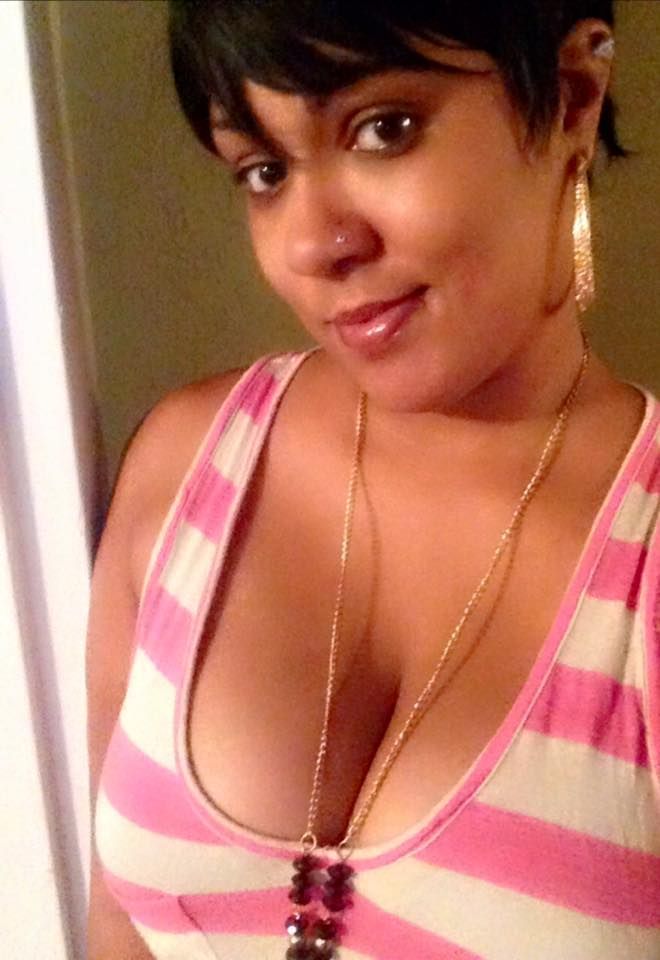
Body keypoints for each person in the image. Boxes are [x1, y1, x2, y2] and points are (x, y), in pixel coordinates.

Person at [86, 2, 660, 958]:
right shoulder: (189, 462)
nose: (314, 244)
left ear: (571, 97)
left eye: (383, 129)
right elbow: (118, 925)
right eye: (264, 171)